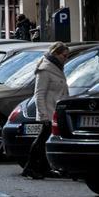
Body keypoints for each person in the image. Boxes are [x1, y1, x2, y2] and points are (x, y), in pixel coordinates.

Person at [22, 41, 71, 179]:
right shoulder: (45, 69)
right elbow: (39, 94)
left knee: (45, 140)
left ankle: (43, 167)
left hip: (56, 110)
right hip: (48, 111)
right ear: (56, 54)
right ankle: (31, 167)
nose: (66, 59)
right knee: (42, 140)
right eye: (64, 55)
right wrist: (43, 114)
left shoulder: (57, 67)